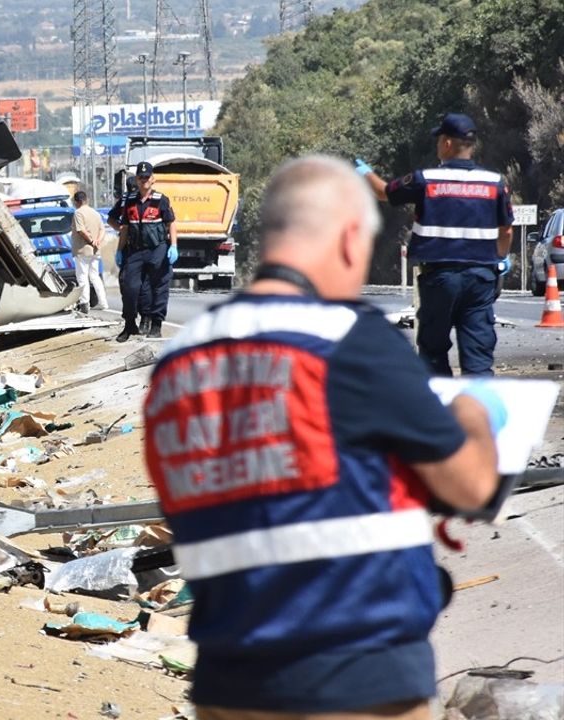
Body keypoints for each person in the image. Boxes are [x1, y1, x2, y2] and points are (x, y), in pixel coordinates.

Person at [142, 155, 502, 720]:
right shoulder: (347, 337)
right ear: (351, 237)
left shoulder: (177, 362)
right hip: (356, 679)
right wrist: (472, 414)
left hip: (226, 685)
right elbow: (472, 485)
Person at [358, 112, 513, 376]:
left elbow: (384, 192)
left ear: (447, 143)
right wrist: (500, 257)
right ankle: (478, 402)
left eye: (439, 140)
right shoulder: (494, 183)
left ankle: (439, 401)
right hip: (480, 280)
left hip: (440, 280)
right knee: (478, 358)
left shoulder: (426, 180)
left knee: (433, 354)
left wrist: (364, 172)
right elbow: (506, 230)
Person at [108, 161, 178, 340]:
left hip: (157, 249)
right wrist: (120, 250)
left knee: (159, 286)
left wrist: (174, 246)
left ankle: (156, 324)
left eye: (147, 177)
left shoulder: (161, 200)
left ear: (153, 179)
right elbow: (124, 227)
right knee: (130, 287)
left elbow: (171, 223)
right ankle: (129, 324)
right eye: (141, 177)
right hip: (135, 250)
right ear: (137, 180)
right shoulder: (129, 201)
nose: (144, 180)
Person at [69, 191, 109, 313]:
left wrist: (91, 241)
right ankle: (103, 302)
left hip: (83, 250)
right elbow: (102, 229)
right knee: (95, 276)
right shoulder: (95, 213)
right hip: (95, 250)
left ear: (77, 201)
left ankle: (84, 303)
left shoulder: (78, 213)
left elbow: (81, 230)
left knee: (82, 276)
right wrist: (97, 241)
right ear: (87, 199)